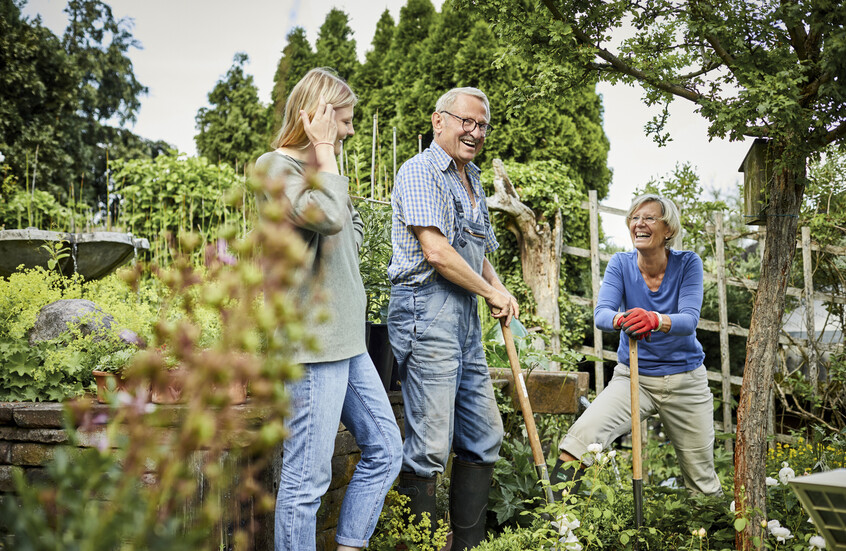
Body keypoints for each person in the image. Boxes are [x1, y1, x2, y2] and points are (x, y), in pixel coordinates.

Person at [255, 67, 403, 551]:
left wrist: (328, 172)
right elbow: (334, 216)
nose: (350, 130)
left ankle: (349, 545)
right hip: (311, 345)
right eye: (342, 119)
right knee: (306, 481)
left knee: (385, 449)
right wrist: (323, 153)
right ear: (317, 115)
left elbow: (349, 225)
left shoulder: (321, 173)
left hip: (347, 339)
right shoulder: (276, 168)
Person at [387, 87, 519, 550]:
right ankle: (417, 544)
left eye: (482, 125)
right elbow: (438, 252)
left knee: (484, 434)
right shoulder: (420, 171)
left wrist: (498, 289)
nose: (475, 131)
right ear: (438, 121)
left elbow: (475, 249)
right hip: (426, 310)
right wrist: (488, 292)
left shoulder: (472, 176)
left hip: (462, 317)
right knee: (429, 447)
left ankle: (466, 545)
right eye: (467, 121)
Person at [552, 194, 722, 496]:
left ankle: (707, 536)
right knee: (579, 442)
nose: (639, 224)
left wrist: (655, 320)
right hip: (634, 377)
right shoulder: (620, 263)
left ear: (668, 229)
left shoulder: (688, 264)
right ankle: (557, 526)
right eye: (635, 218)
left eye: (649, 218)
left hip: (686, 382)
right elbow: (602, 314)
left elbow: (688, 320)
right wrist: (624, 320)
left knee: (702, 482)